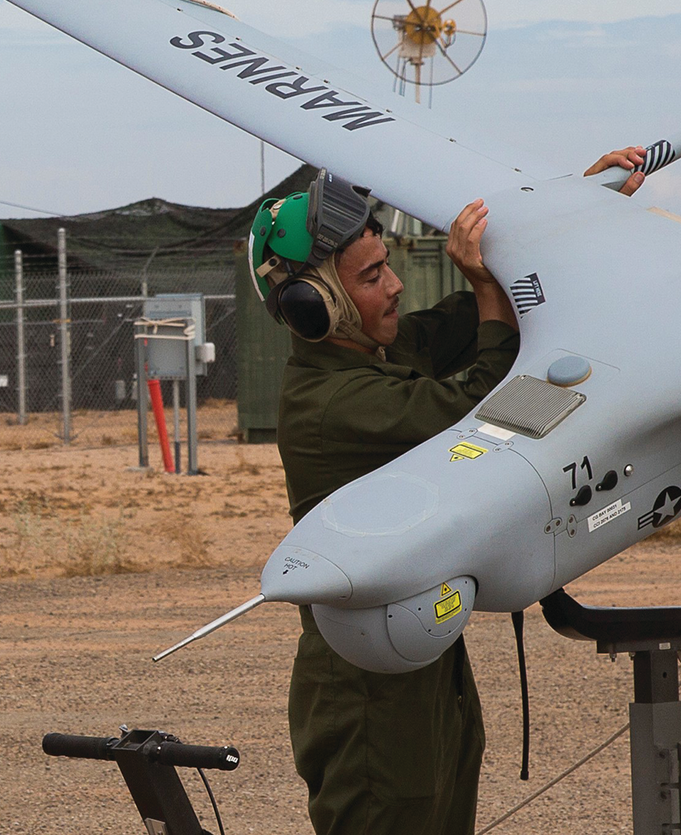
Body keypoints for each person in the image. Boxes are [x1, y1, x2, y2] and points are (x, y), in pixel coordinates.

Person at [254, 148, 647, 835]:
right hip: (369, 688)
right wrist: (490, 294)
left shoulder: (379, 354)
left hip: (420, 656)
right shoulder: (330, 401)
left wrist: (572, 216)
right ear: (317, 305)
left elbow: (467, 320)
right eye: (373, 277)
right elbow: (477, 398)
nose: (398, 287)